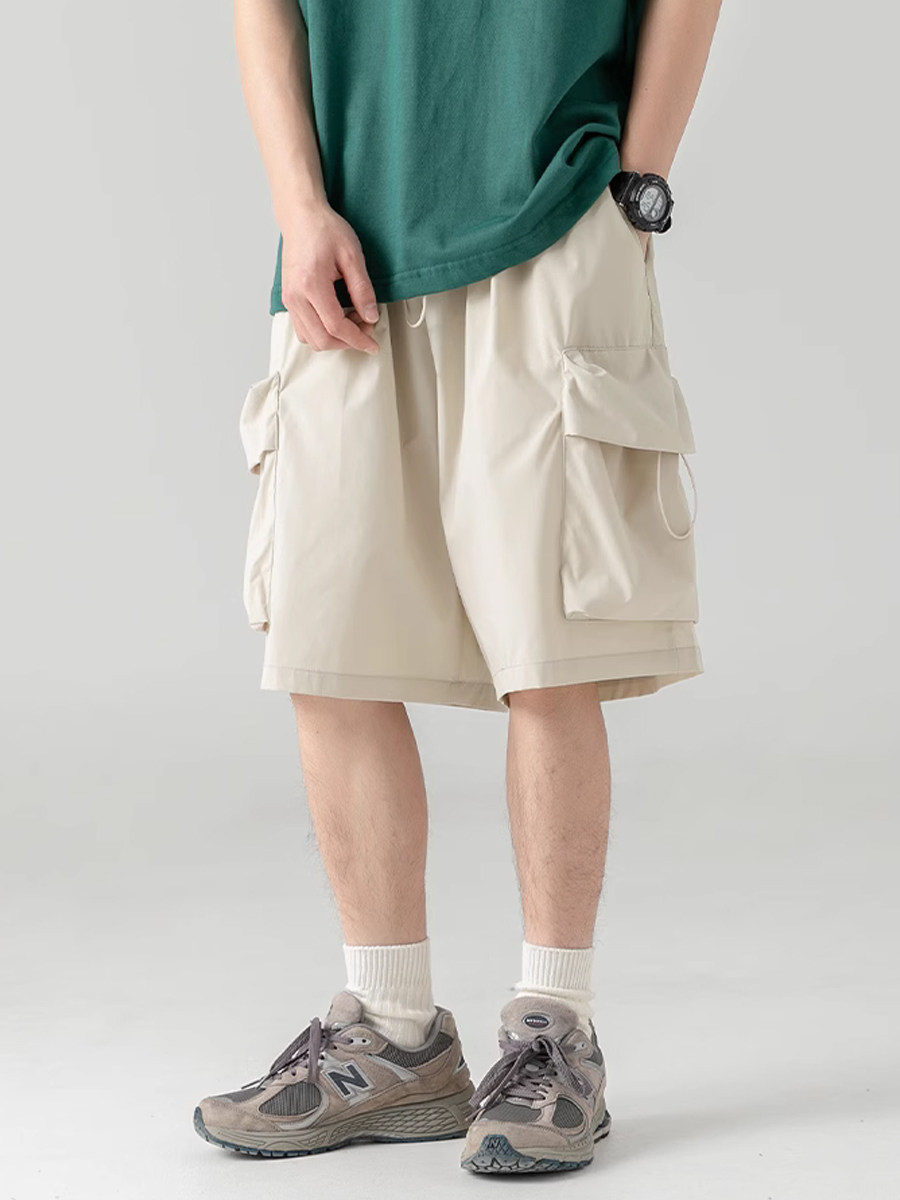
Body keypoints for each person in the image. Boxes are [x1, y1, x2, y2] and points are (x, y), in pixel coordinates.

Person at [194, 0, 722, 1175]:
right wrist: (297, 206)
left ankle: (555, 1032)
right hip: (343, 244)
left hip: (553, 214)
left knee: (549, 643)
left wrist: (633, 183)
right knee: (327, 640)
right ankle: (392, 1037)